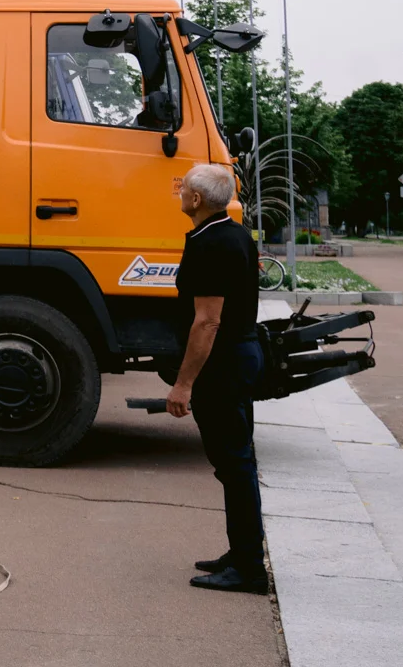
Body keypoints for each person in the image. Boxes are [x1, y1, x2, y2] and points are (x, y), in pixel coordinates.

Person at [166, 162, 268, 594]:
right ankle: (242, 553)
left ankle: (248, 568)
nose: (179, 191)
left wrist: (183, 383)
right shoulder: (232, 234)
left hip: (223, 364)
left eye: (183, 187)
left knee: (235, 464)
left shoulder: (213, 244)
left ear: (196, 199)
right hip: (239, 357)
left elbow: (207, 323)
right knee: (234, 464)